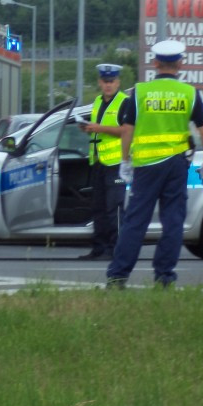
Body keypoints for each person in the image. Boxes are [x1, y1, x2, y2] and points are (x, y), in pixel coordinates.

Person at [106, 40, 203, 289]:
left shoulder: (140, 92)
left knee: (135, 221)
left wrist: (125, 161)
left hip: (145, 166)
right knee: (173, 221)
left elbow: (126, 131)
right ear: (180, 63)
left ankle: (117, 277)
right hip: (176, 165)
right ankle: (164, 277)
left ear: (155, 63)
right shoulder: (189, 93)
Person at [77, 63, 130, 260]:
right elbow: (98, 128)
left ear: (118, 82)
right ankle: (98, 249)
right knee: (98, 209)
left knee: (114, 209)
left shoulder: (124, 102)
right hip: (99, 162)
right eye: (105, 81)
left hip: (117, 163)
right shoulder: (98, 101)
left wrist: (98, 128)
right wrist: (88, 128)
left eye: (112, 81)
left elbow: (126, 131)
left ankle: (115, 250)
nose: (108, 85)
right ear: (100, 82)